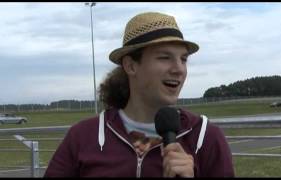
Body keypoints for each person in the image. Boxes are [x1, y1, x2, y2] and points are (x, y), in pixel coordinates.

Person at [44, 11, 234, 177]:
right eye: (164, 57)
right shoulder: (83, 137)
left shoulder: (205, 137)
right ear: (131, 65)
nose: (179, 69)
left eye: (183, 59)